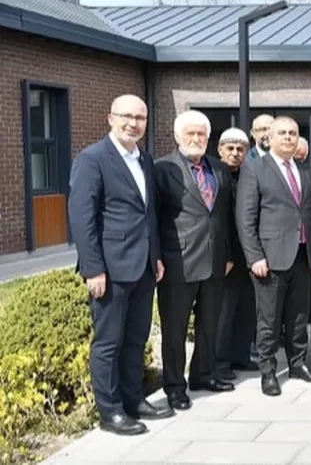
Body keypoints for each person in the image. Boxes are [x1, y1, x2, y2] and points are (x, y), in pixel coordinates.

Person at [69, 94, 172, 435]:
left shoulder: (144, 159)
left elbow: (149, 214)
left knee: (136, 337)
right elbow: (82, 219)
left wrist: (155, 255)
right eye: (126, 116)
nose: (133, 123)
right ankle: (110, 411)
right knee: (108, 341)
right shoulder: (92, 159)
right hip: (110, 270)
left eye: (140, 118)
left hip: (142, 267)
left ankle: (133, 399)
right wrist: (93, 269)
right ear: (109, 118)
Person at [236, 116, 311, 396]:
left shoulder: (306, 171)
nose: (288, 138)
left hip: (303, 255)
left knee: (299, 315)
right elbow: (246, 217)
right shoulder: (254, 169)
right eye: (283, 133)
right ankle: (268, 371)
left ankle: (298, 363)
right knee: (269, 319)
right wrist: (254, 257)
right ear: (270, 138)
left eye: (293, 133)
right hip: (270, 257)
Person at [153, 110, 236, 412]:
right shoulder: (162, 168)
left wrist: (227, 254)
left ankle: (203, 374)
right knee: (175, 331)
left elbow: (224, 215)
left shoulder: (219, 169)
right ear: (177, 136)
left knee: (209, 324)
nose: (196, 139)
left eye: (201, 134)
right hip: (178, 262)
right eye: (190, 133)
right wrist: (157, 257)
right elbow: (153, 218)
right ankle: (175, 387)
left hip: (214, 261)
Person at [213, 128, 259, 381]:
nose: (235, 154)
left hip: (248, 255)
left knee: (246, 308)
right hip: (226, 256)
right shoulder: (214, 175)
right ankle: (219, 362)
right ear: (220, 150)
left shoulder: (249, 176)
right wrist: (227, 255)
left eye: (240, 149)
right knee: (224, 312)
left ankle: (240, 355)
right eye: (229, 148)